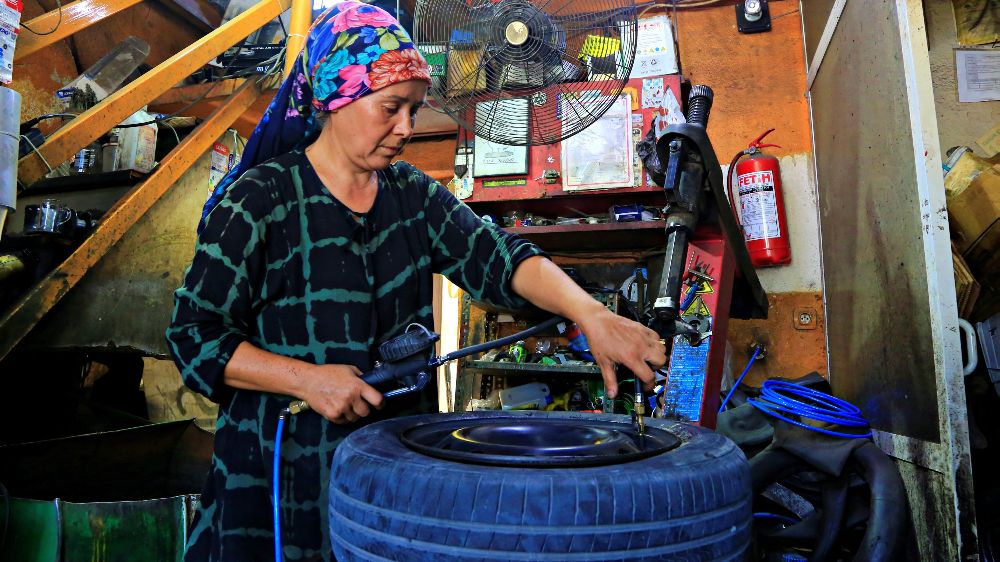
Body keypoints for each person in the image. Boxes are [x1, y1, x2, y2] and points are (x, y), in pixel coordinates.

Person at [166, 3, 667, 560]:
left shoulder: (412, 196)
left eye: (414, 109)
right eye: (391, 108)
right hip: (275, 480)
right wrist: (306, 380)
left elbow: (499, 257)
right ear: (337, 97)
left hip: (390, 483)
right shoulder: (258, 200)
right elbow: (194, 337)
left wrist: (590, 313)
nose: (406, 128)